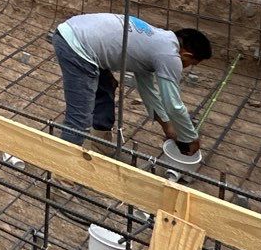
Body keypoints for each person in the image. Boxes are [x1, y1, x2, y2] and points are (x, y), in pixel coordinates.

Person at [48, 12, 210, 160]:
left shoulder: (159, 41)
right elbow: (174, 105)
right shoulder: (169, 55)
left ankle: (99, 140)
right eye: (191, 63)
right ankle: (62, 173)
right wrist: (190, 137)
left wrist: (167, 127)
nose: (186, 67)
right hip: (77, 46)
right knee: (79, 119)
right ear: (187, 54)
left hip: (75, 31)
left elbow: (148, 92)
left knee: (107, 86)